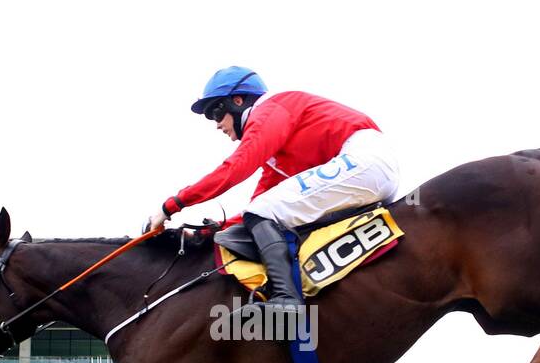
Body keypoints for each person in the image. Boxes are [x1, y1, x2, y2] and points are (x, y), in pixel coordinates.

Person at [146, 67, 400, 325]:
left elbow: (236, 168)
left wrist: (171, 206)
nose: (217, 124)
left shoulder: (272, 108)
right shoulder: (277, 154)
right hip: (366, 170)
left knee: (263, 213)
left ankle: (287, 300)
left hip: (365, 161)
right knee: (260, 214)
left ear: (238, 101)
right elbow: (256, 209)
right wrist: (204, 235)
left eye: (216, 111)